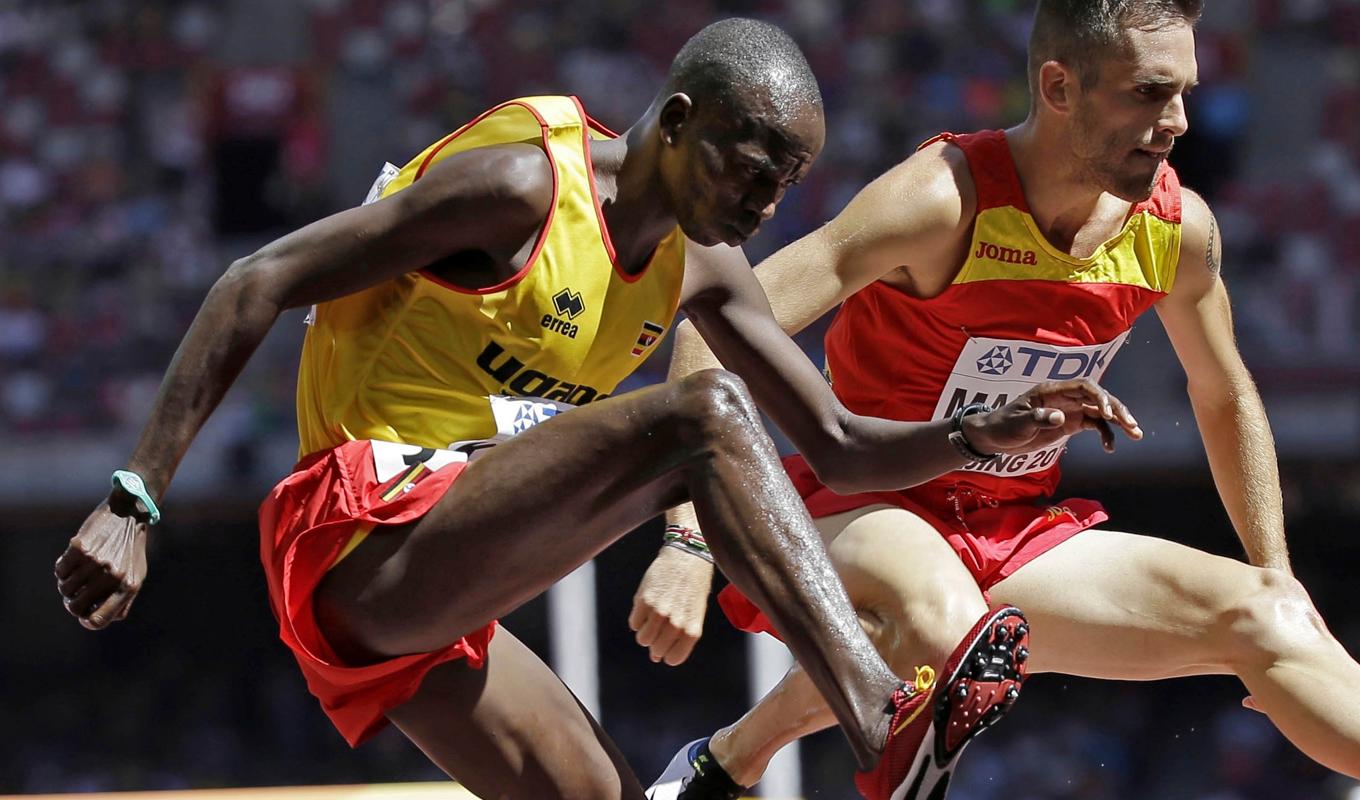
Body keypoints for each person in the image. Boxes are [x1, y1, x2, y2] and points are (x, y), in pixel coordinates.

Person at [50, 18, 1136, 800]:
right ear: (673, 121)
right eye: (744, 168)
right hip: (352, 527)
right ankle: (879, 718)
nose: (758, 205)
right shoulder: (522, 189)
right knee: (698, 411)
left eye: (781, 187)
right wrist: (134, 494)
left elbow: (842, 447)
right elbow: (257, 277)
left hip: (436, 587)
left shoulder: (703, 265)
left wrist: (972, 433)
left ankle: (883, 735)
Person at [639, 3, 1360, 799]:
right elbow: (716, 322)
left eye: (1185, 92)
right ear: (1058, 86)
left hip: (1011, 538)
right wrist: (687, 538)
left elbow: (1224, 394)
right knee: (943, 623)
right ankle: (741, 761)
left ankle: (720, 766)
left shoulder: (1174, 230)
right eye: (1150, 93)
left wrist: (1278, 569)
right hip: (861, 510)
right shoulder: (940, 201)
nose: (1179, 122)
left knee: (1269, 617)